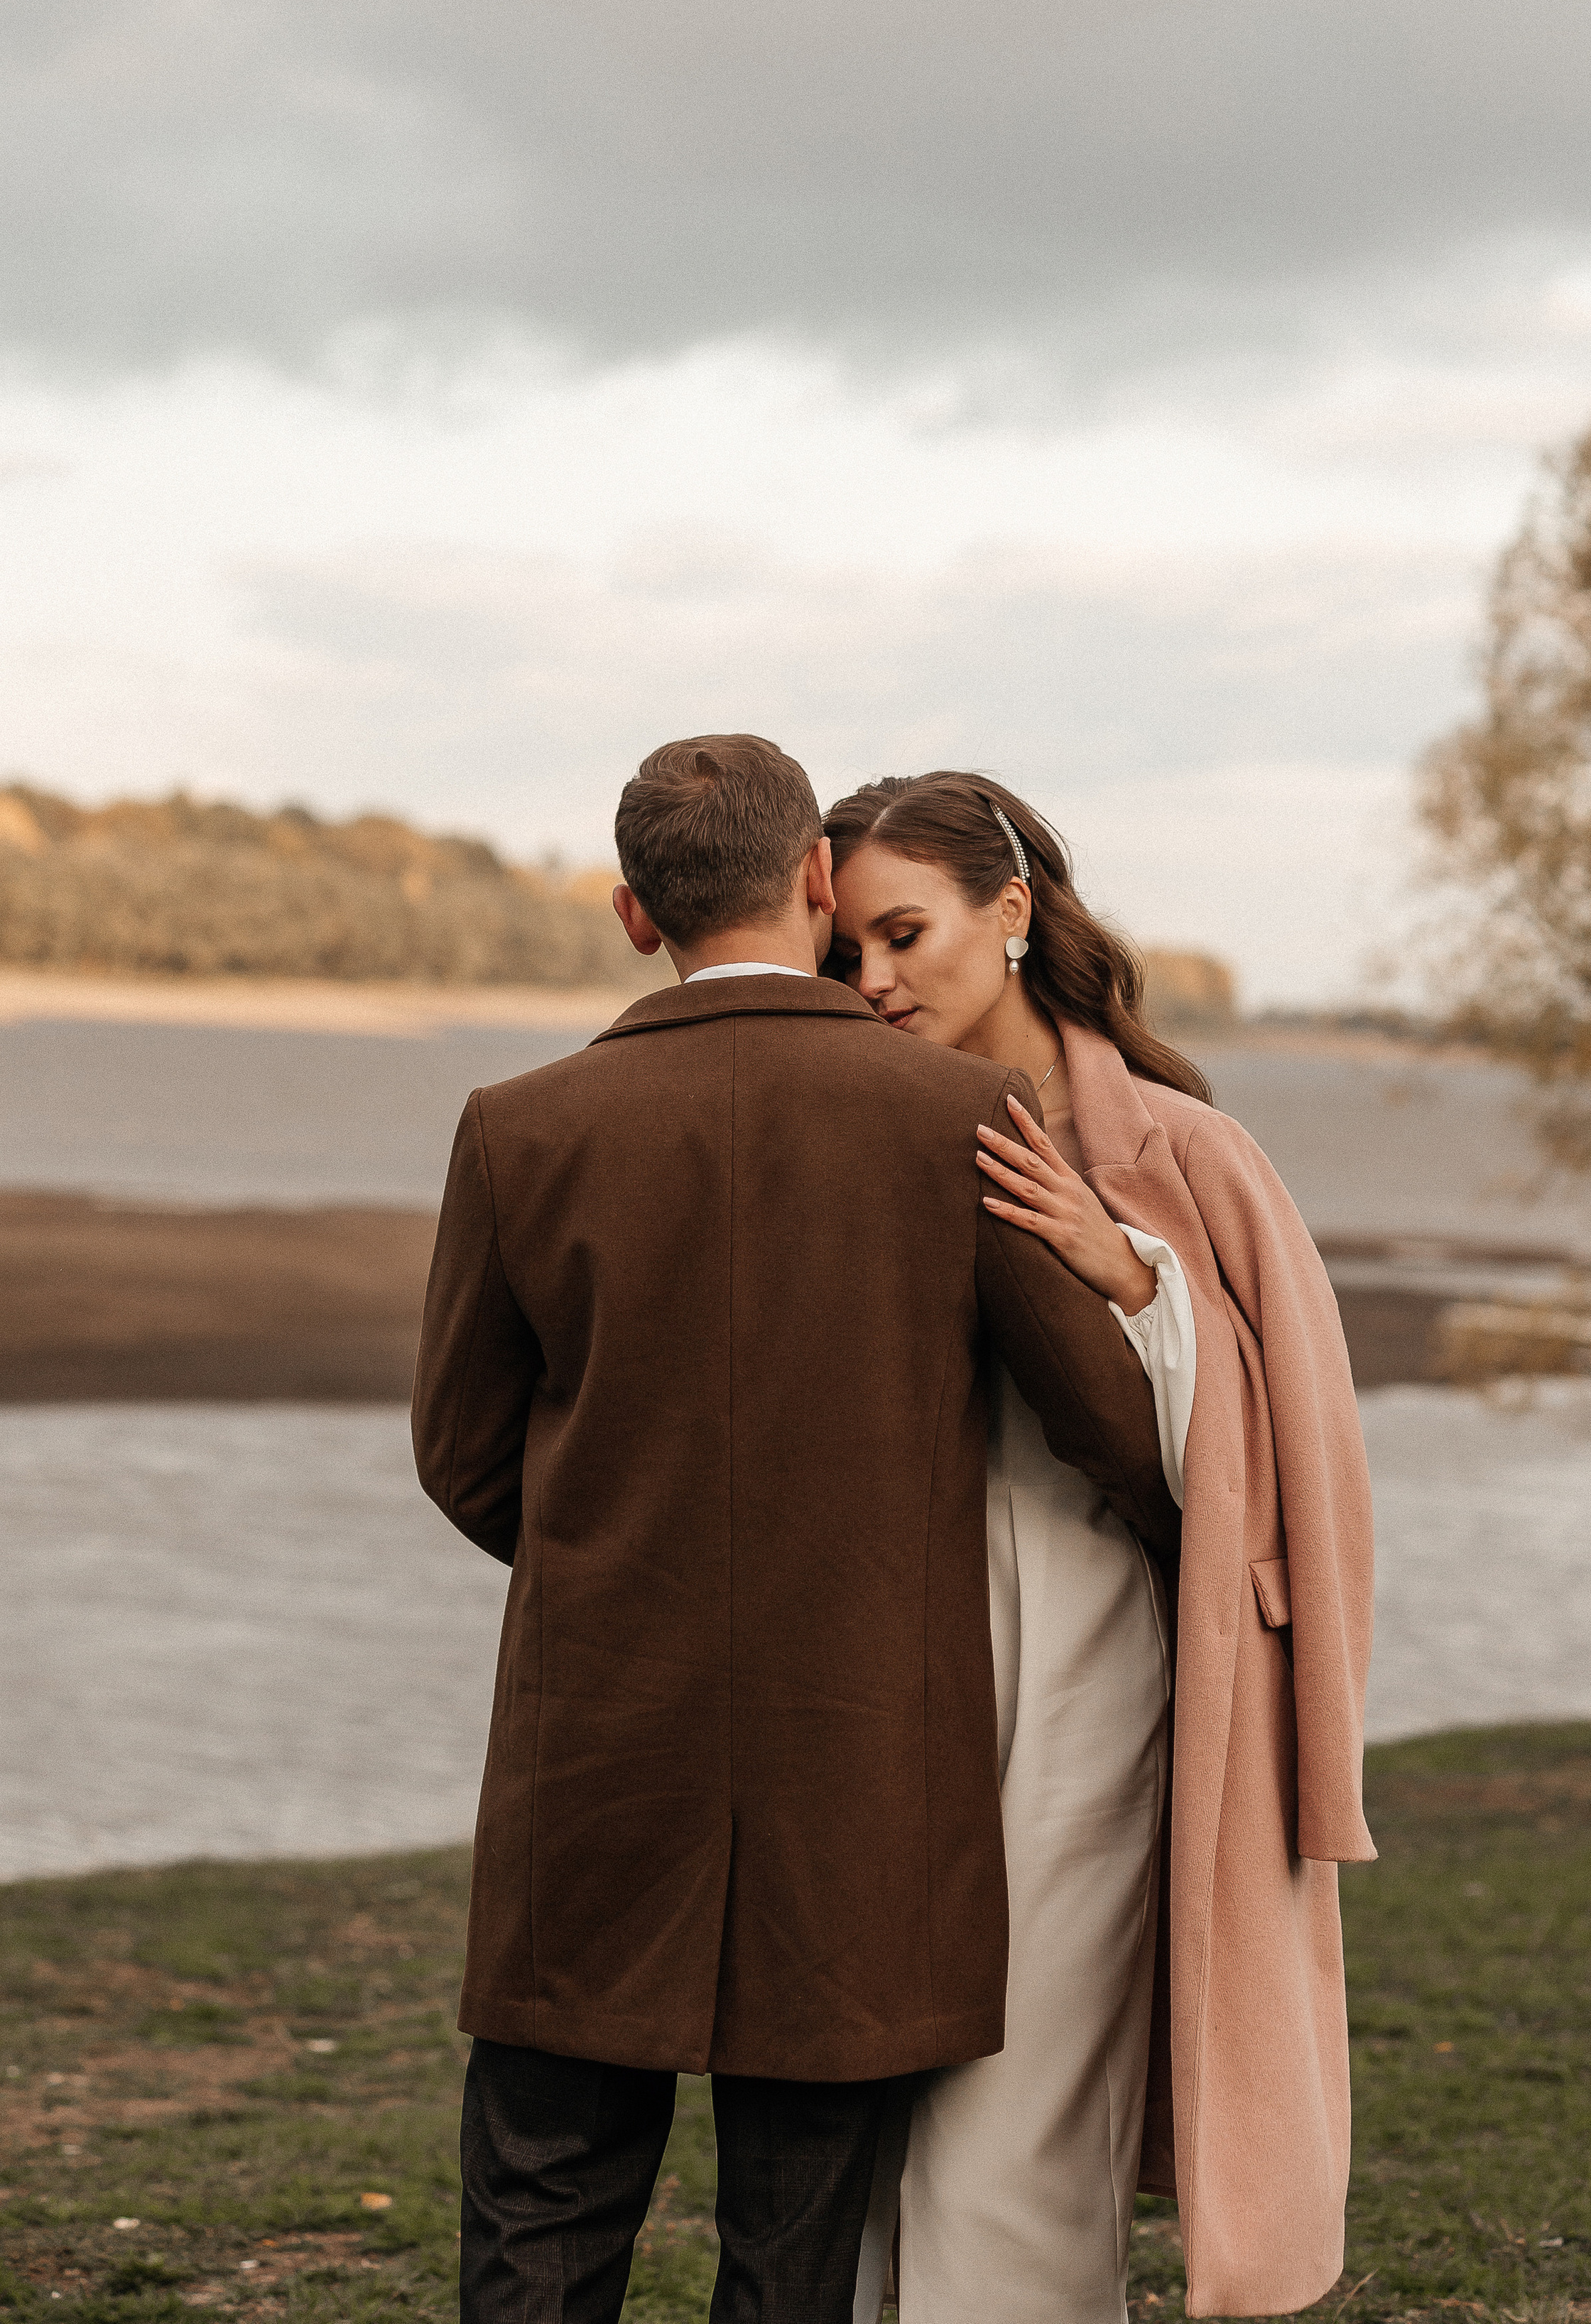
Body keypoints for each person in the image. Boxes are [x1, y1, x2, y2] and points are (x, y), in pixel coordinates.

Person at [411, 734, 1181, 2324]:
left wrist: (617, 1572)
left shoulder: (515, 1127)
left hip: (595, 1764)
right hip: (860, 1787)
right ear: (818, 884)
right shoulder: (954, 1115)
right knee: (793, 2257)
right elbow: (1115, 1437)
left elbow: (463, 1456)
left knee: (541, 2224)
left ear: (632, 914)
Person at [824, 772, 1377, 2324]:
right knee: (874, 2103)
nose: (871, 982)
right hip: (894, 1672)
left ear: (1008, 914)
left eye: (903, 934)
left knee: (1026, 2110)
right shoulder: (862, 1139)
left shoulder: (1188, 1153)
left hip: (1099, 1675)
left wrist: (1129, 1282)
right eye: (843, 953)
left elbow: (1301, 1457)